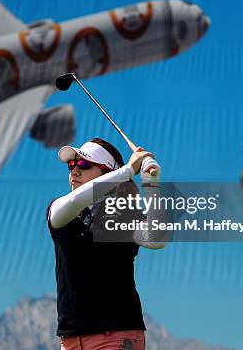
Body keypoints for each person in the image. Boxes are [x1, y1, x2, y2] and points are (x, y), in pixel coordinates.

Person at [47, 138, 165, 350]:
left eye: (83, 165)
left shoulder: (123, 218)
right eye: (71, 165)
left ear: (108, 172)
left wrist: (152, 184)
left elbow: (157, 238)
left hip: (116, 336)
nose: (74, 171)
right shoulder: (60, 211)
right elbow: (74, 201)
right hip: (70, 342)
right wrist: (128, 171)